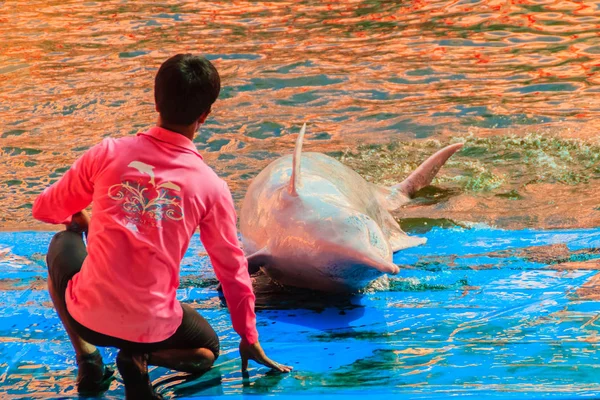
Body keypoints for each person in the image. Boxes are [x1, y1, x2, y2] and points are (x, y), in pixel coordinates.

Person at [32, 54, 291, 400]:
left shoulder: (108, 153)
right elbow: (232, 271)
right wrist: (249, 337)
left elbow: (44, 208)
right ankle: (139, 356)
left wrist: (81, 216)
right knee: (207, 351)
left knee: (61, 243)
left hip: (88, 320)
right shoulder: (211, 187)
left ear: (156, 101)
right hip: (154, 328)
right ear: (205, 114)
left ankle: (89, 359)